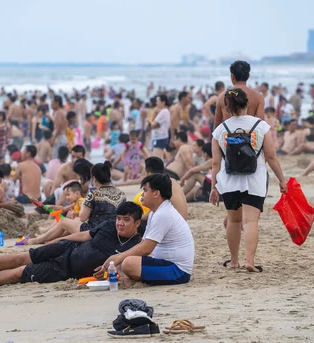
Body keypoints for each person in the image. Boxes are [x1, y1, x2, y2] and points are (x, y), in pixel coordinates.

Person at [0, 202, 143, 285]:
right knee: (21, 257)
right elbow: (84, 236)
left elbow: (124, 269)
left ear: (137, 223)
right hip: (67, 248)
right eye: (119, 218)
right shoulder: (110, 225)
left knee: (19, 273)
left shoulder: (136, 245)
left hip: (66, 270)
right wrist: (57, 241)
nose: (120, 223)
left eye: (126, 220)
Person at [210, 88, 287, 273]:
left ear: (227, 109)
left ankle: (234, 261)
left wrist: (214, 187)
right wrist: (282, 180)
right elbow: (271, 157)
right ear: (247, 104)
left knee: (233, 221)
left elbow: (215, 163)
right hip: (255, 180)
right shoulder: (261, 126)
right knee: (250, 222)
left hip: (229, 181)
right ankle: (250, 261)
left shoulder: (220, 130)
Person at [95, 174, 194, 286]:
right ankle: (130, 279)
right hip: (167, 265)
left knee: (128, 263)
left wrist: (119, 257)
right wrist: (118, 259)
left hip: (178, 271)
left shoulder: (163, 214)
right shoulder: (155, 213)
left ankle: (131, 280)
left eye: (145, 190)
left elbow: (147, 248)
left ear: (156, 193)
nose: (142, 194)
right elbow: (143, 243)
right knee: (121, 262)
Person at [21, 161, 125, 245]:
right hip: (115, 230)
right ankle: (43, 236)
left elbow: (83, 217)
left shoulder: (93, 194)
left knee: (63, 222)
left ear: (94, 178)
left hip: (94, 231)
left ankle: (36, 240)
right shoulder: (121, 193)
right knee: (69, 222)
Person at [214, 61, 264, 128]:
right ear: (248, 76)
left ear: (232, 76)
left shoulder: (222, 96)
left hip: (229, 137)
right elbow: (261, 123)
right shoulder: (258, 97)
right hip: (250, 137)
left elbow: (217, 124)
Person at [150, 94, 171, 160]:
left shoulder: (163, 112)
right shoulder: (165, 111)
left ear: (163, 102)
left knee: (157, 158)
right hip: (162, 137)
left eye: (157, 101)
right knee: (160, 157)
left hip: (159, 138)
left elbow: (153, 124)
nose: (156, 103)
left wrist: (153, 123)